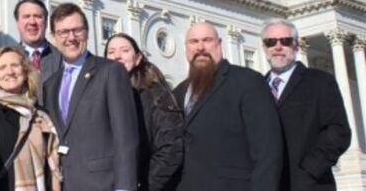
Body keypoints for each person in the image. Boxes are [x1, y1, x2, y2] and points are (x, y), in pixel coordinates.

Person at [173, 21, 283, 191]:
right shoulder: (179, 92)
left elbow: (268, 152)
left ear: (219, 44)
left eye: (207, 40)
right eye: (193, 42)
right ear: (186, 48)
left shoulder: (247, 81)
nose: (200, 47)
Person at [43, 3, 138, 191]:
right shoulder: (50, 84)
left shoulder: (111, 71)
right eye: (63, 32)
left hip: (103, 184)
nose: (71, 38)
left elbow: (126, 137)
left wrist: (125, 187)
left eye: (77, 30)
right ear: (54, 37)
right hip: (65, 184)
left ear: (87, 32)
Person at [262, 19, 351, 191]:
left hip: (309, 184)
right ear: (265, 47)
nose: (278, 47)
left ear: (296, 46)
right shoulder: (256, 87)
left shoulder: (320, 82)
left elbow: (339, 131)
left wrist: (310, 169)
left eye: (285, 41)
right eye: (271, 42)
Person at [0, 45, 62, 191]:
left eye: (15, 65)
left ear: (26, 71)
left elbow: (51, 168)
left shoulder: (40, 115)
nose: (10, 72)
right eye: (2, 67)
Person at [104, 33, 183, 191]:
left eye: (124, 50)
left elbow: (171, 148)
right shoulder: (103, 95)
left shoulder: (155, 94)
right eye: (111, 52)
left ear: (138, 58)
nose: (117, 56)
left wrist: (144, 185)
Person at [14, 0, 62, 84]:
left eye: (37, 16)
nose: (32, 22)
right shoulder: (7, 58)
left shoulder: (63, 59)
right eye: (26, 16)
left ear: (46, 22)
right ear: (17, 23)